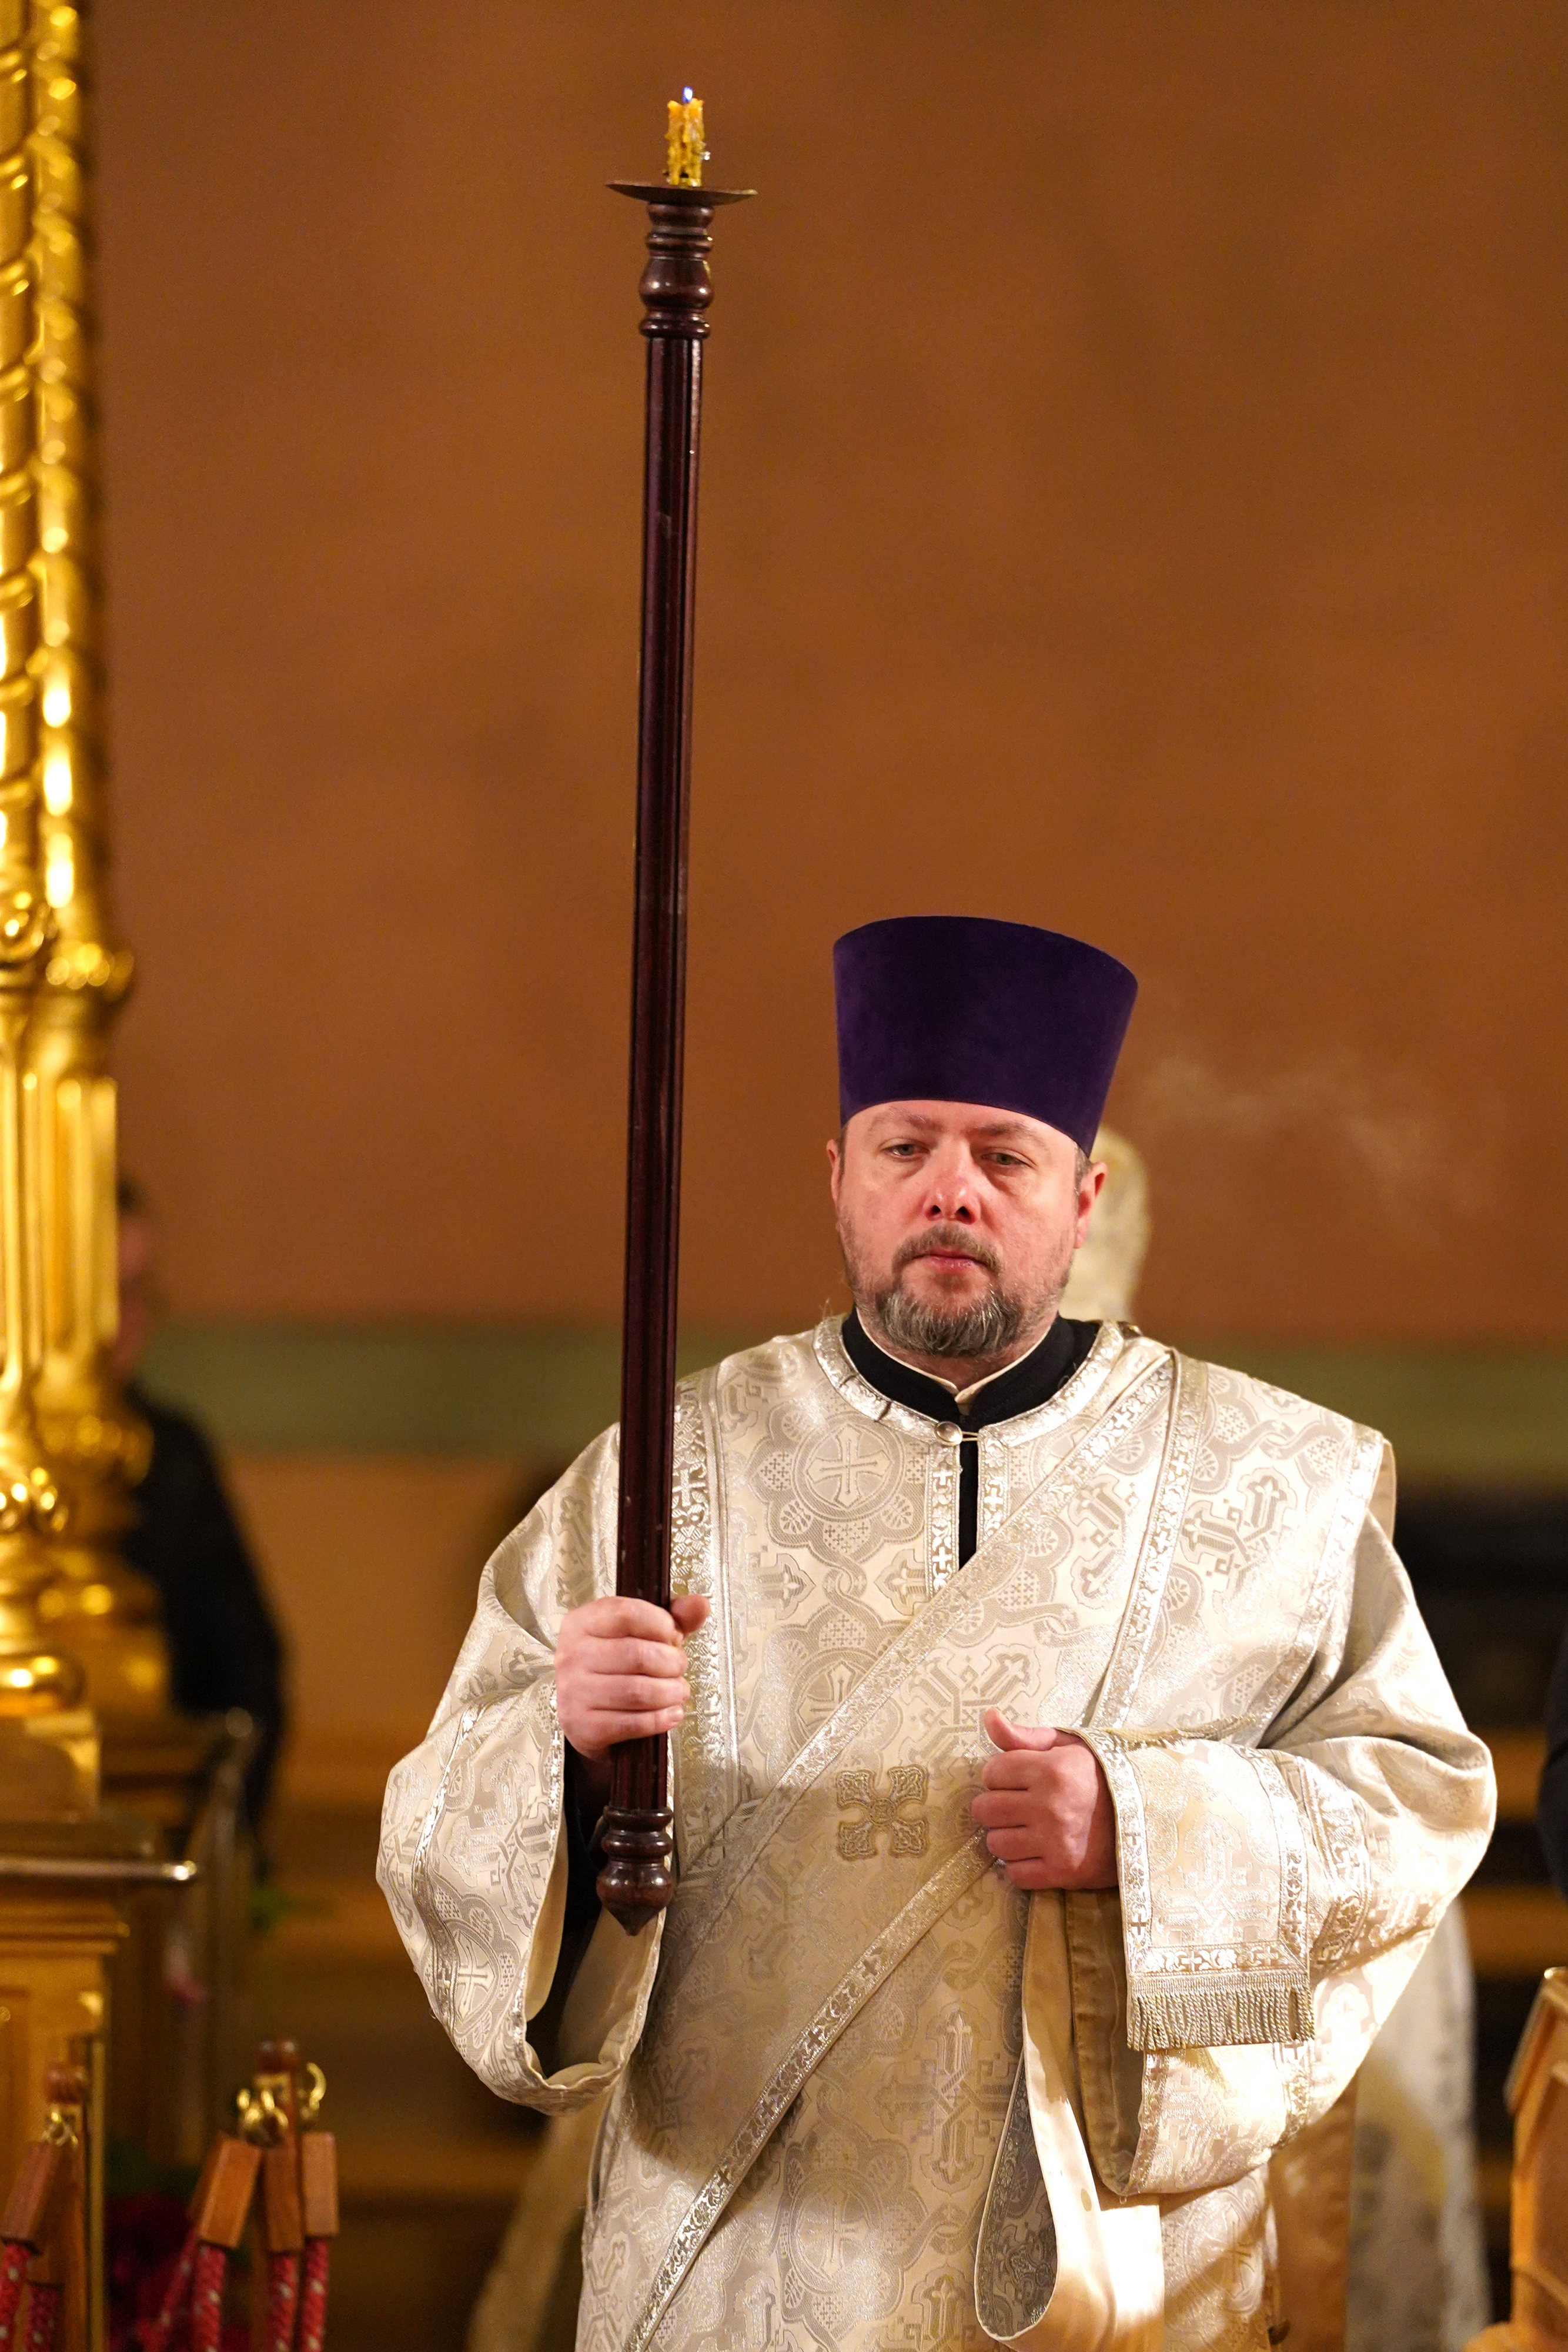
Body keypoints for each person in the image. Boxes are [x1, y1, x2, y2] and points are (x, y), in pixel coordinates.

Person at [380, 916, 1495, 2352]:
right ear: (838, 1179)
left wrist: (1143, 1827)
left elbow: (1420, 1792)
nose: (950, 1191)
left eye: (1002, 1155)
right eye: (906, 1148)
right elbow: (442, 1820)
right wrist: (568, 1743)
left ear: (1082, 1200)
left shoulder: (1270, 1481)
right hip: (740, 2261)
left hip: (1106, 2272)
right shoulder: (663, 1472)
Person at [116, 1176, 286, 1832]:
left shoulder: (173, 1455)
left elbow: (250, 1672)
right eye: (102, 1293)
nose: (122, 1322)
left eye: (138, 1293)